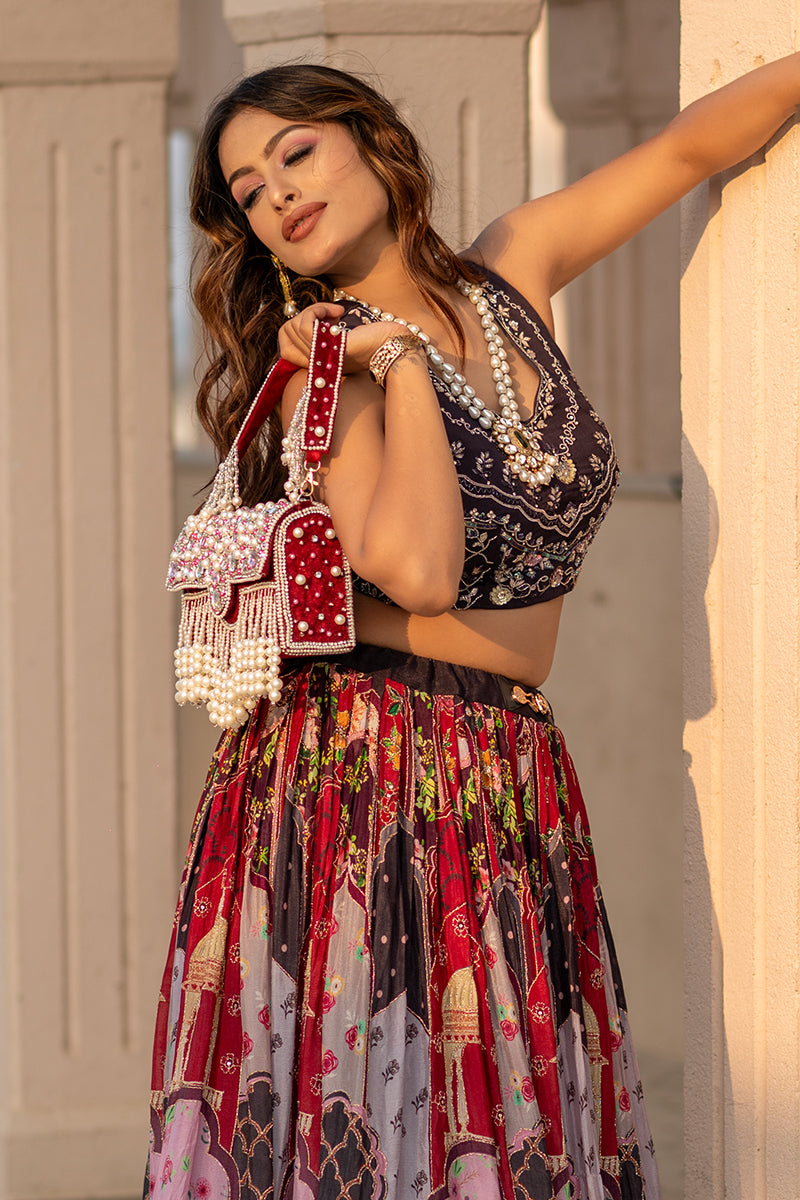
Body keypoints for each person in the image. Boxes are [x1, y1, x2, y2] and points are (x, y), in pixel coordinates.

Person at [145, 59, 799, 1200]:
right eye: (247, 193)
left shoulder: (510, 269)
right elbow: (420, 572)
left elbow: (686, 147)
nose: (276, 196)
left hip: (500, 769)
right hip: (362, 780)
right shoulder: (329, 369)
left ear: (370, 138)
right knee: (389, 1125)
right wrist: (392, 360)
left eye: (294, 153)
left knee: (495, 1112)